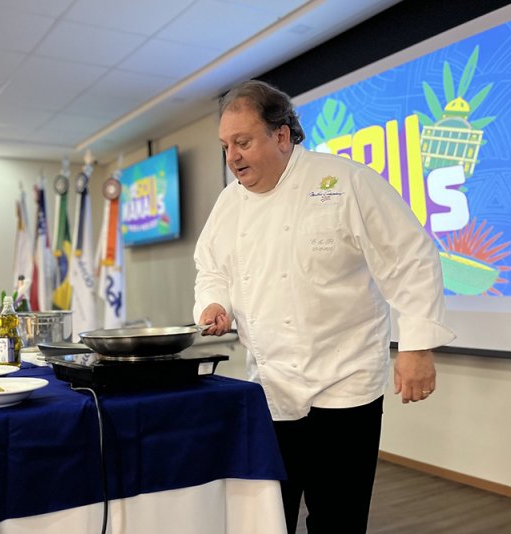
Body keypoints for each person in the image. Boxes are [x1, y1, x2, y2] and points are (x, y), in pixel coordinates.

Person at [194, 80, 456, 533]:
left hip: (345, 384)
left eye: (242, 142)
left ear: (281, 135)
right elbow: (212, 268)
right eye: (225, 146)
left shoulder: (346, 182)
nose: (232, 157)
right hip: (272, 387)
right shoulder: (228, 204)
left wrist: (416, 347)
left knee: (338, 518)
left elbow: (410, 258)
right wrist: (216, 302)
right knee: (270, 516)